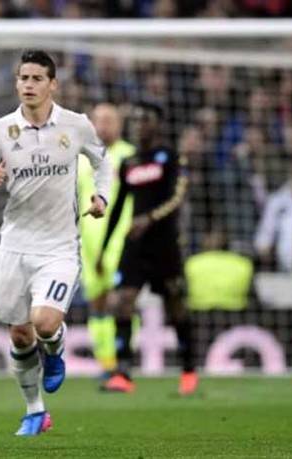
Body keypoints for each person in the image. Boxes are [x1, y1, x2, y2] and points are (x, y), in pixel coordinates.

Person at [0, 50, 111, 436]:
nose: (28, 85)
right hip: (15, 244)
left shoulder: (75, 125)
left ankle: (56, 344)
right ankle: (35, 411)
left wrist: (101, 197)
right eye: (23, 78)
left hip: (60, 245)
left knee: (44, 322)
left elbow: (103, 161)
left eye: (36, 78)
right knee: (18, 333)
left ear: (53, 84)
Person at [97, 102, 198, 395]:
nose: (139, 125)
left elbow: (178, 197)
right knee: (121, 301)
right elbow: (117, 208)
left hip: (165, 243)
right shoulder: (130, 161)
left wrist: (149, 218)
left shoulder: (171, 157)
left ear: (158, 124)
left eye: (145, 120)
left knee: (175, 305)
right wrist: (104, 249)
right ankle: (123, 373)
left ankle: (189, 372)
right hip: (135, 244)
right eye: (137, 120)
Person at [78, 103, 135, 377]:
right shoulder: (80, 158)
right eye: (98, 120)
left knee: (120, 301)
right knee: (97, 304)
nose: (103, 125)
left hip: (120, 244)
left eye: (109, 120)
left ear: (119, 124)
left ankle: (122, 359)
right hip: (88, 245)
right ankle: (106, 362)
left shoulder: (130, 156)